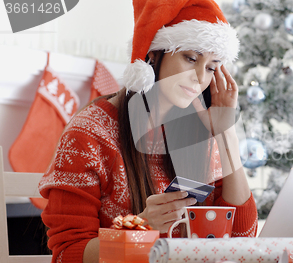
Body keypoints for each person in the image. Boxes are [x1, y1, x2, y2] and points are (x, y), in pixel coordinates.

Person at [38, 0, 258, 262]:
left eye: (211, 67)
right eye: (190, 58)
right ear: (153, 54)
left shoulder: (198, 128)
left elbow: (242, 236)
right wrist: (141, 227)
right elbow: (68, 253)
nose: (201, 77)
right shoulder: (89, 133)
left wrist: (226, 131)